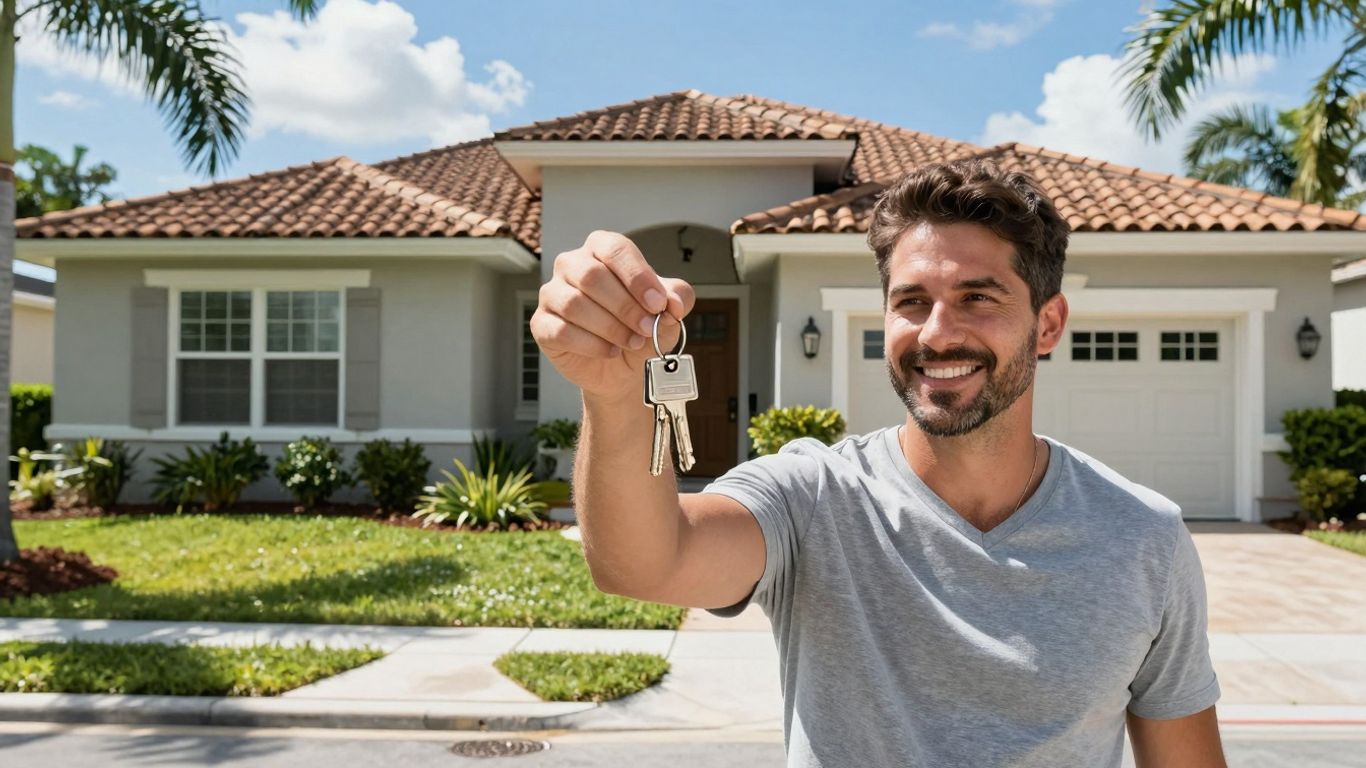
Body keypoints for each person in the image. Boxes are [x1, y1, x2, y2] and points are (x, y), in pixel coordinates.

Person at [530, 159, 1226, 767]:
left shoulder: (1143, 537)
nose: (936, 332)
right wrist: (616, 396)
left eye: (977, 298)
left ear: (1047, 324)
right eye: (911, 302)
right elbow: (644, 563)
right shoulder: (812, 499)